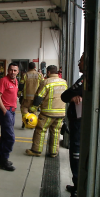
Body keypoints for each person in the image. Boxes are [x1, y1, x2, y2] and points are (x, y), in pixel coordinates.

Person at [25, 65, 68, 158]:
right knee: (55, 132)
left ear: (48, 72)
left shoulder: (46, 82)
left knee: (40, 130)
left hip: (48, 113)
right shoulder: (64, 82)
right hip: (61, 113)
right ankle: (53, 152)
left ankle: (36, 150)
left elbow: (39, 97)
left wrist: (32, 109)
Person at [61, 53, 84, 197]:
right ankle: (77, 185)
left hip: (79, 123)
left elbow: (65, 95)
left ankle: (78, 187)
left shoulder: (84, 80)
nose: (78, 64)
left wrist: (71, 96)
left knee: (76, 154)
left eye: (80, 61)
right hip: (78, 122)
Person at [0, 62, 19, 171]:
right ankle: (4, 160)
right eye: (11, 70)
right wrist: (4, 110)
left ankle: (0, 159)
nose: (12, 72)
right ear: (7, 70)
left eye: (15, 70)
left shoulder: (15, 81)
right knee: (10, 137)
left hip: (12, 111)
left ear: (18, 72)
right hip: (6, 111)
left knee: (5, 135)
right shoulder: (3, 81)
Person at [18, 62, 44, 128]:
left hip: (26, 97)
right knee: (33, 111)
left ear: (28, 67)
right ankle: (32, 123)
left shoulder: (25, 75)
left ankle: (25, 121)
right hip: (36, 98)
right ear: (35, 67)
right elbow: (43, 85)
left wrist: (19, 93)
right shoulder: (40, 75)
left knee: (24, 109)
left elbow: (21, 85)